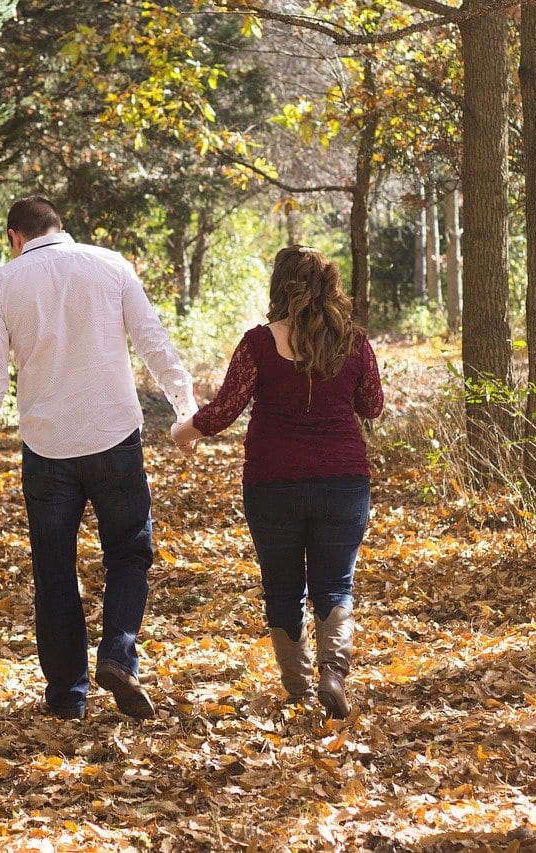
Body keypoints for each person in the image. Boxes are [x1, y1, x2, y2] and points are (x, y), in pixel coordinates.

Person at [0, 196, 196, 720]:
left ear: (13, 236)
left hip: (47, 451)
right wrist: (186, 409)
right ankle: (117, 652)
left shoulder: (0, 287)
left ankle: (68, 696)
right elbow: (153, 342)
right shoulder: (110, 265)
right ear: (59, 227)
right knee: (130, 552)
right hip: (114, 437)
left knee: (53, 570)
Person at [171, 246, 383, 719]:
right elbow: (372, 406)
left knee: (283, 587)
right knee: (336, 584)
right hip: (343, 482)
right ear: (330, 287)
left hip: (273, 483)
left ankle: (299, 687)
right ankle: (333, 671)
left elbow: (224, 411)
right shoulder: (353, 341)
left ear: (279, 286)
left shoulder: (259, 343)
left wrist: (180, 432)